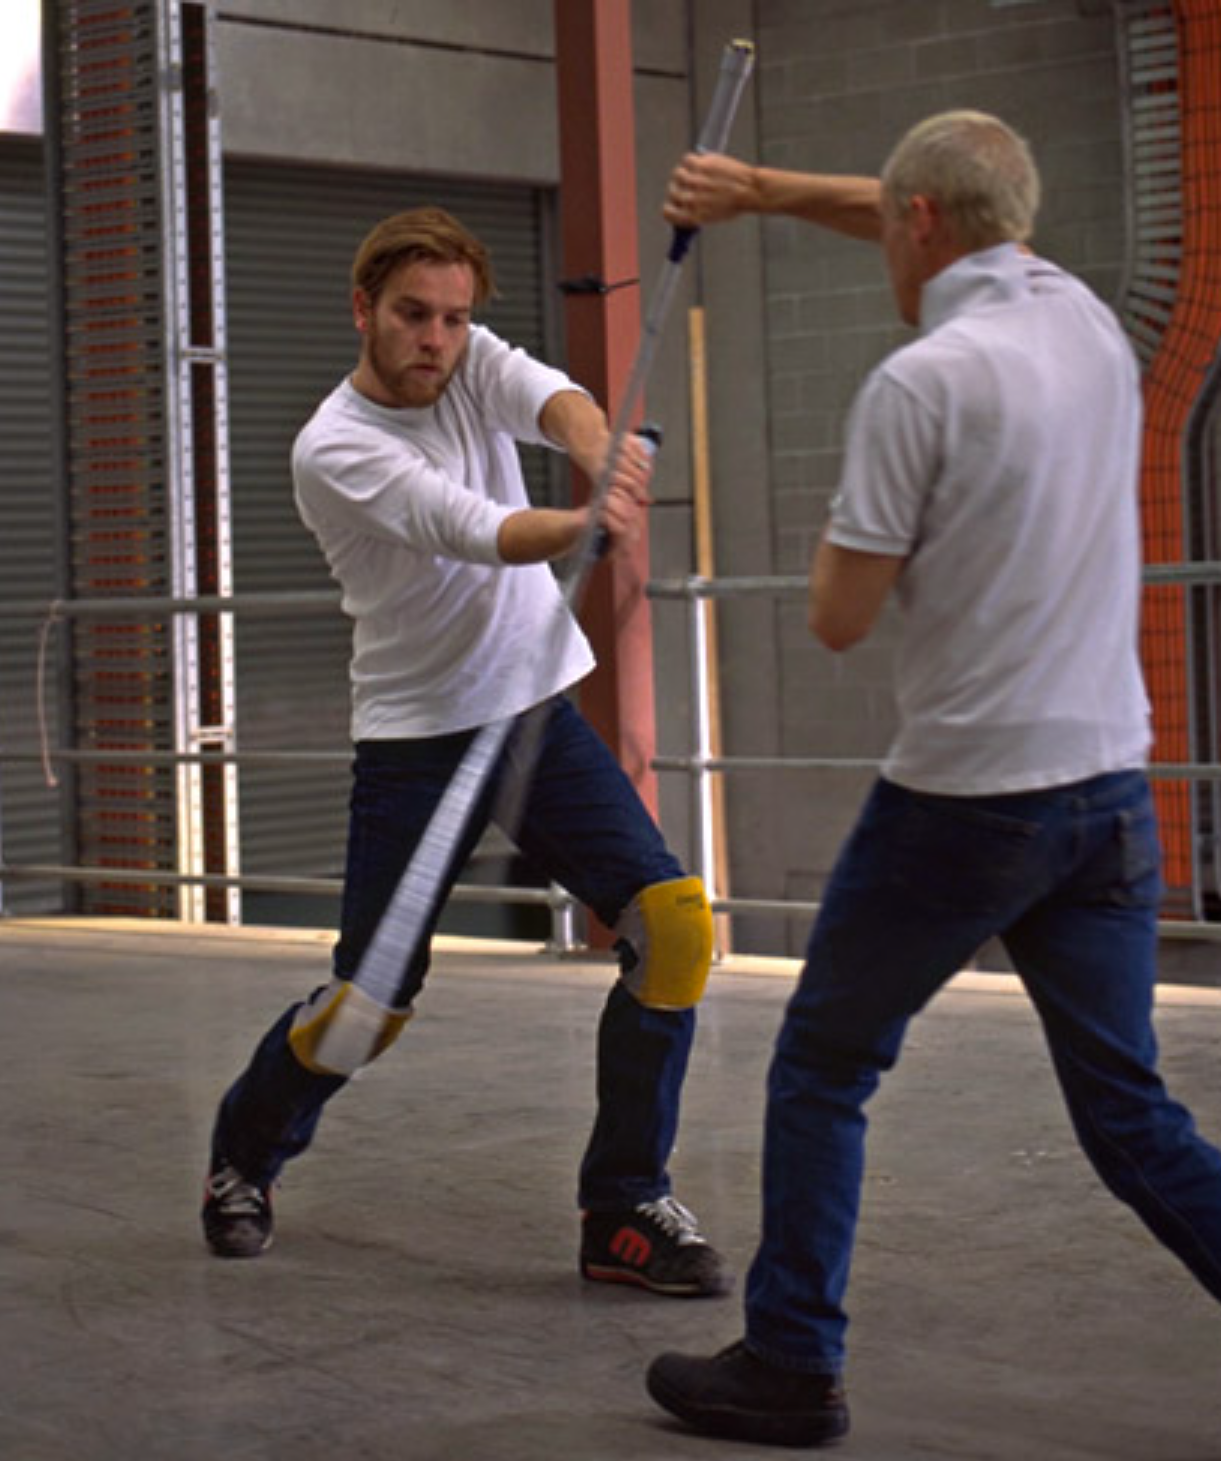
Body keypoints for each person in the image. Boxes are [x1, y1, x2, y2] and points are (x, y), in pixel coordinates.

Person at [645, 111, 1221, 1445]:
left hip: (965, 802)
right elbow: (921, 201)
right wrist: (761, 190)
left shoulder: (920, 381)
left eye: (892, 224)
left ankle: (791, 1363)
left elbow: (840, 617)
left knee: (824, 1068)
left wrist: (877, 531)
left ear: (917, 228)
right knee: (1130, 1112)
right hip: (1106, 796)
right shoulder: (1082, 318)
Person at [202, 205, 731, 1301]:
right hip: (420, 739)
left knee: (674, 928)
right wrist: (590, 521)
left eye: (451, 317)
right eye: (411, 315)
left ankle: (623, 1207)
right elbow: (472, 529)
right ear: (364, 310)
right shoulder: (335, 448)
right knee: (367, 1011)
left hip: (536, 713)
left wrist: (605, 456)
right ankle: (243, 1156)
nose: (435, 338)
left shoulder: (473, 359)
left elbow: (561, 403)